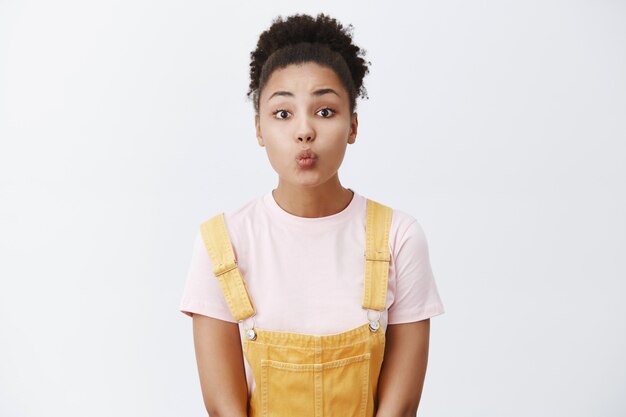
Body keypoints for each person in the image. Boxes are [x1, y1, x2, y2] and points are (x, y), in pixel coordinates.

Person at [179, 12, 445, 417]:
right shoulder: (222, 244)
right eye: (283, 113)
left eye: (324, 111)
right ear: (258, 129)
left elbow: (401, 407)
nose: (304, 131)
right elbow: (223, 409)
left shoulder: (398, 238)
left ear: (353, 125)